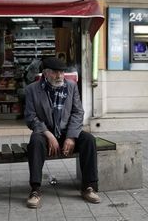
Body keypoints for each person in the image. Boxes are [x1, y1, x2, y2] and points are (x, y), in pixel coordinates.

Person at [24, 57, 100, 208]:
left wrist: (71, 136)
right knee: (35, 143)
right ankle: (35, 190)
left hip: (66, 132)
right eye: (54, 72)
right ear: (45, 73)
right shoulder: (32, 89)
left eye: (61, 72)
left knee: (89, 140)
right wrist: (48, 133)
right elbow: (30, 117)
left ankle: (88, 187)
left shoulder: (71, 87)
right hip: (44, 133)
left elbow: (78, 113)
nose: (59, 76)